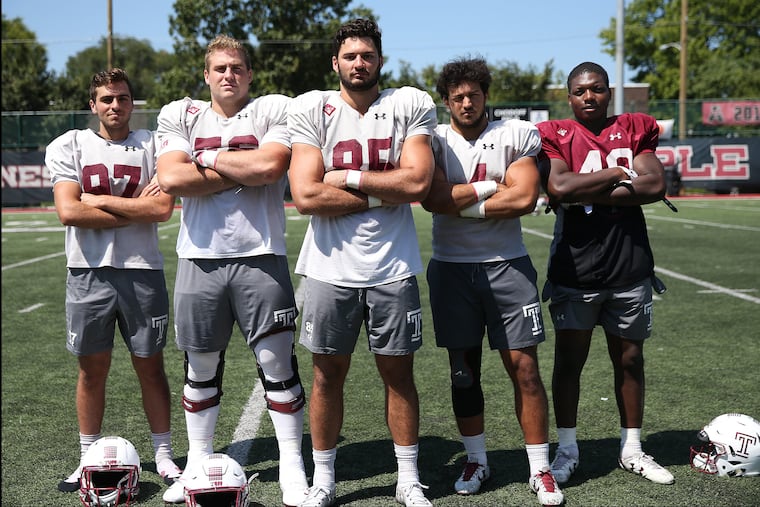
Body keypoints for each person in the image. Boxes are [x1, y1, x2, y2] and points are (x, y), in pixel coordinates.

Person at [287, 18, 436, 507]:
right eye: (350, 56)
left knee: (399, 374)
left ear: (380, 60)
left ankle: (408, 477)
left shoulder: (408, 103)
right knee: (327, 375)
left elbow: (416, 184)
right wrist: (382, 190)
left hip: (392, 267)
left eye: (367, 55)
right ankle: (324, 479)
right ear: (336, 63)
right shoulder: (313, 107)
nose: (359, 63)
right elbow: (306, 194)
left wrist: (348, 176)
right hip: (330, 268)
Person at [155, 35, 308, 506]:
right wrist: (239, 167)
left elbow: (269, 168)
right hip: (199, 257)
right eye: (220, 68)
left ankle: (291, 465)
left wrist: (203, 159)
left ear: (250, 73)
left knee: (277, 365)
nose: (228, 75)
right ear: (206, 75)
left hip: (261, 254)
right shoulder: (179, 114)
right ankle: (197, 462)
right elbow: (171, 178)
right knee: (199, 367)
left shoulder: (273, 109)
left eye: (237, 67)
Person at [420, 57, 564, 506]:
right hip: (451, 267)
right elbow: (431, 199)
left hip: (507, 264)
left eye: (474, 95)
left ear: (486, 95)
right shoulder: (434, 139)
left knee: (525, 369)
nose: (466, 102)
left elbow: (523, 196)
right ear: (446, 101)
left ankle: (540, 467)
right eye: (458, 96)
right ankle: (476, 459)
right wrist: (489, 186)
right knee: (463, 374)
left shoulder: (514, 132)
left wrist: (459, 201)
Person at [537, 61, 675, 486]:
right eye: (580, 91)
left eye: (596, 89)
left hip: (629, 266)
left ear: (609, 92)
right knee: (569, 363)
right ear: (569, 97)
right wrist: (617, 172)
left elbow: (654, 185)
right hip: (576, 269)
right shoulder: (556, 134)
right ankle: (567, 449)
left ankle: (632, 447)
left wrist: (587, 186)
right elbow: (558, 188)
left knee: (630, 360)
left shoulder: (635, 127)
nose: (589, 97)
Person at [45, 68, 182, 494]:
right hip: (87, 269)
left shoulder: (153, 144)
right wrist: (131, 207)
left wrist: (99, 200)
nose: (115, 106)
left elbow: (161, 211)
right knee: (91, 370)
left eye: (122, 98)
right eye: (107, 99)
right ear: (93, 104)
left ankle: (163, 454)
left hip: (142, 269)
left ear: (132, 102)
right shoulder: (70, 145)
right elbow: (69, 212)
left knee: (151, 366)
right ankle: (87, 456)